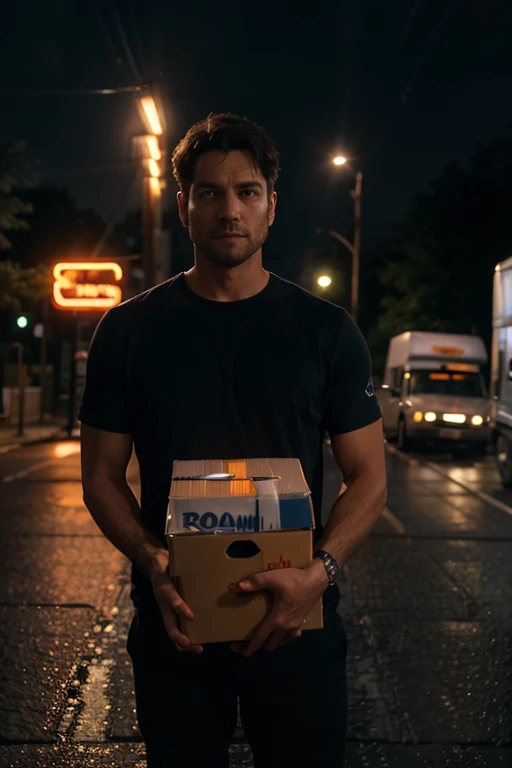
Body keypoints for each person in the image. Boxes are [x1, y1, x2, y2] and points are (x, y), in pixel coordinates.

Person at [79, 112, 386, 768]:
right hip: (179, 624)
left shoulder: (326, 333)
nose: (230, 209)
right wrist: (153, 561)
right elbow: (101, 475)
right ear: (182, 206)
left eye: (247, 192)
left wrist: (318, 574)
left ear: (272, 207)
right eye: (210, 192)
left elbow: (369, 477)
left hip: (297, 625)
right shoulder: (128, 332)